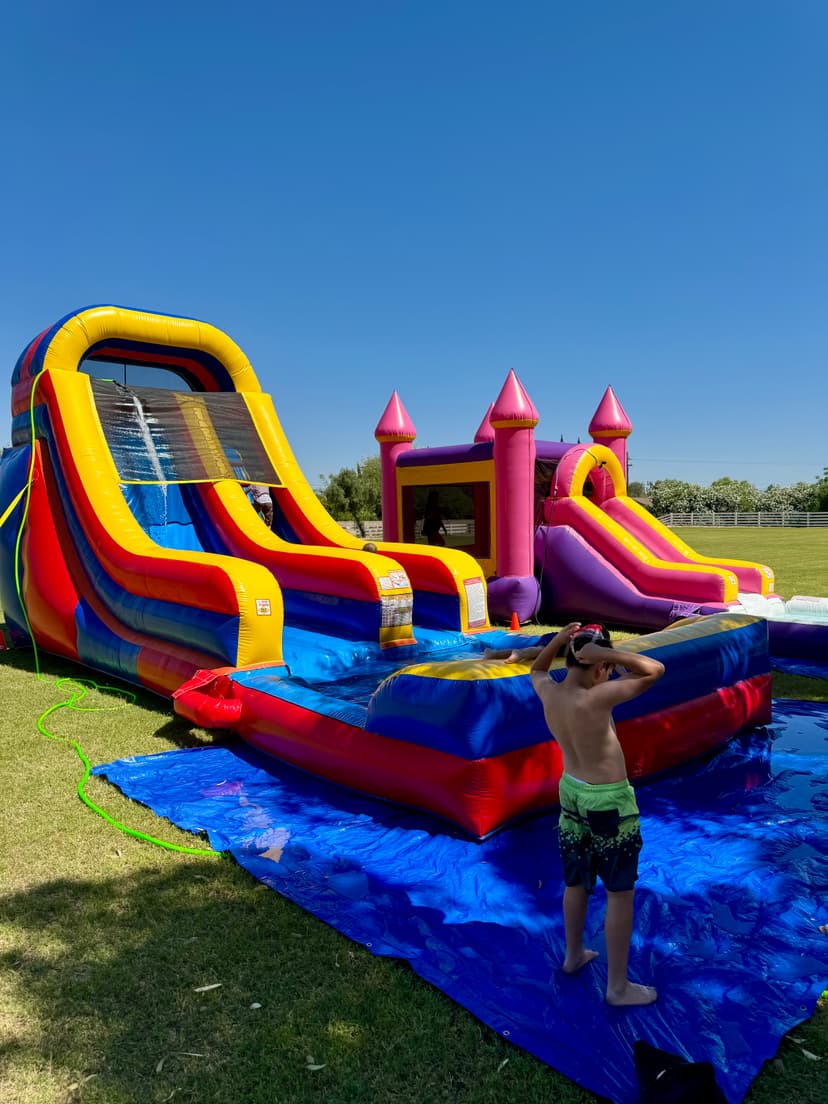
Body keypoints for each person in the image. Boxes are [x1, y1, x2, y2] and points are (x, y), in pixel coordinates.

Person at [530, 622, 665, 1007]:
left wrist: (558, 641)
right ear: (597, 667)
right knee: (619, 894)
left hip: (571, 793)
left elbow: (537, 670)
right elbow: (654, 669)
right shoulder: (598, 698)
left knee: (577, 883)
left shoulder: (551, 693)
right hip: (608, 802)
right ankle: (618, 987)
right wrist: (606, 654)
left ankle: (573, 955)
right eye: (604, 667)